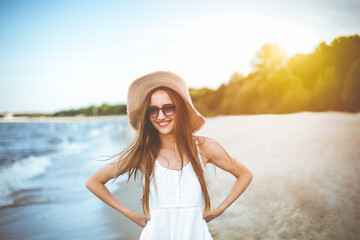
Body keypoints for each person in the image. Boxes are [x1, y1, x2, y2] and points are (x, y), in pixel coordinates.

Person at [86, 71, 253, 240]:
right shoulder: (144, 153)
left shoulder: (204, 148)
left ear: (180, 109)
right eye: (153, 110)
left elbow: (244, 174)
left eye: (168, 108)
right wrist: (130, 214)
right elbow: (94, 182)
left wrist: (219, 210)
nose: (161, 116)